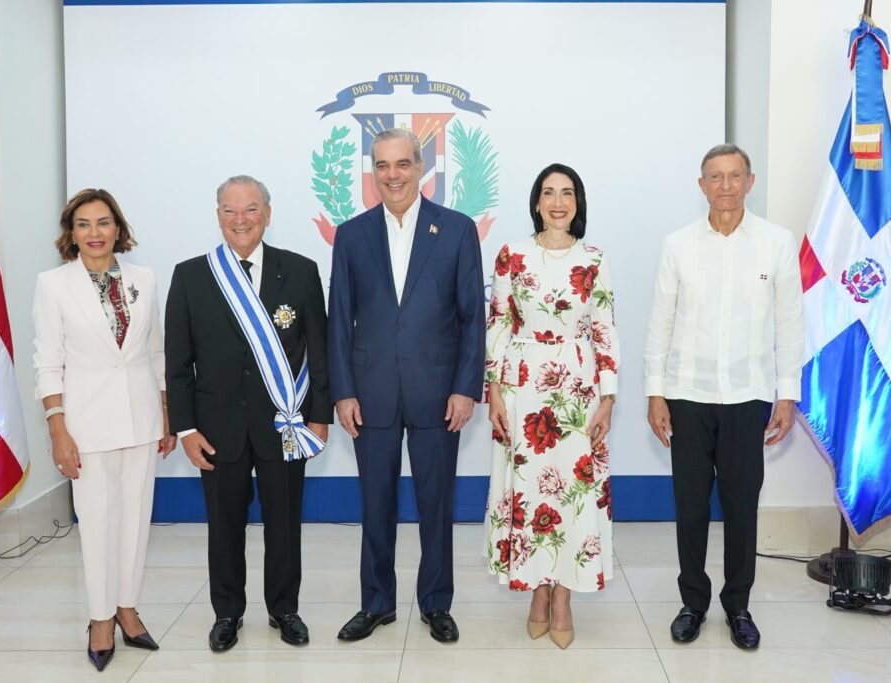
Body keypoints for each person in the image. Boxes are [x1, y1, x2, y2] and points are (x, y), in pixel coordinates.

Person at [643, 144, 804, 650]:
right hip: (687, 394)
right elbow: (660, 321)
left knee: (741, 506)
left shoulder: (777, 243)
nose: (726, 186)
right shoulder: (678, 245)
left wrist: (787, 395)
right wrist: (655, 392)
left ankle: (738, 606)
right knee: (690, 505)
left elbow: (790, 324)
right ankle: (693, 602)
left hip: (748, 396)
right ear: (702, 185)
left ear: (750, 182)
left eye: (735, 176)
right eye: (716, 177)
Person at [328, 128, 485, 643]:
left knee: (437, 505)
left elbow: (473, 318)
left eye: (401, 164)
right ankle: (376, 604)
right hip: (369, 393)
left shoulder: (457, 230)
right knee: (375, 505)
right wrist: (342, 391)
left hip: (439, 393)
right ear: (373, 172)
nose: (392, 174)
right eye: (382, 165)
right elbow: (339, 319)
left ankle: (436, 603)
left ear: (420, 168)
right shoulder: (352, 235)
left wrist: (466, 388)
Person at [164, 175, 331, 652]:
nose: (241, 220)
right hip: (217, 428)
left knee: (285, 524)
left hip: (285, 423)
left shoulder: (300, 271)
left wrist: (319, 417)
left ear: (268, 214)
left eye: (251, 209)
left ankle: (284, 609)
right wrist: (186, 428)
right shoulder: (191, 275)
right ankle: (227, 613)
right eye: (230, 210)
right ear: (218, 215)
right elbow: (178, 363)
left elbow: (319, 353)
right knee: (223, 527)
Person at [33, 188, 176, 672]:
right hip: (86, 424)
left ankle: (127, 609)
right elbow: (48, 362)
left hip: (142, 418)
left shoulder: (144, 279)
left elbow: (155, 350)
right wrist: (58, 429)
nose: (94, 233)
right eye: (83, 224)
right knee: (96, 522)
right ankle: (100, 618)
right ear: (71, 234)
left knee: (135, 519)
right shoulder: (53, 285)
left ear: (118, 228)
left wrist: (166, 410)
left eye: (103, 222)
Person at [483, 163, 618, 650]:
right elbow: (498, 322)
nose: (558, 202)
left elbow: (604, 328)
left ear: (577, 203)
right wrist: (494, 391)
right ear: (536, 203)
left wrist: (608, 398)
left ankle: (563, 596)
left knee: (573, 492)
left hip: (578, 389)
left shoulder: (594, 259)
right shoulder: (512, 255)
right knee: (529, 491)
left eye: (567, 193)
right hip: (522, 387)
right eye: (548, 193)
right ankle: (536, 591)